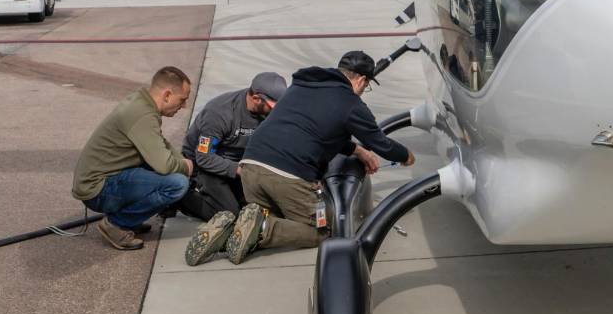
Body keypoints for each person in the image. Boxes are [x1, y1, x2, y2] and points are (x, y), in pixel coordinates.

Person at [194, 51, 414, 266]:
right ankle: (262, 230)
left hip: (250, 167)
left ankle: (232, 227)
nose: (365, 90)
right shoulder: (351, 104)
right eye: (367, 86)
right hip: (287, 176)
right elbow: (380, 142)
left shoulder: (302, 85)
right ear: (361, 80)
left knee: (272, 217)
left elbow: (314, 132)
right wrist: (406, 155)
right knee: (323, 230)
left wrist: (357, 151)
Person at [72, 66, 193, 250]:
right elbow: (164, 164)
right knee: (177, 183)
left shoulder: (141, 101)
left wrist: (182, 159)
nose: (184, 106)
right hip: (98, 189)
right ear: (167, 95)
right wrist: (185, 167)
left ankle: (129, 219)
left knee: (160, 166)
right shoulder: (142, 115)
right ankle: (117, 224)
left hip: (103, 179)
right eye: (182, 100)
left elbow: (160, 143)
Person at [179, 71, 287, 217]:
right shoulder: (220, 113)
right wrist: (241, 171)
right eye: (273, 107)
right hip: (207, 165)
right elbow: (204, 157)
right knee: (231, 215)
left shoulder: (269, 112)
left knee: (263, 209)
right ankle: (180, 198)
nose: (277, 112)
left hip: (240, 164)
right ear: (256, 99)